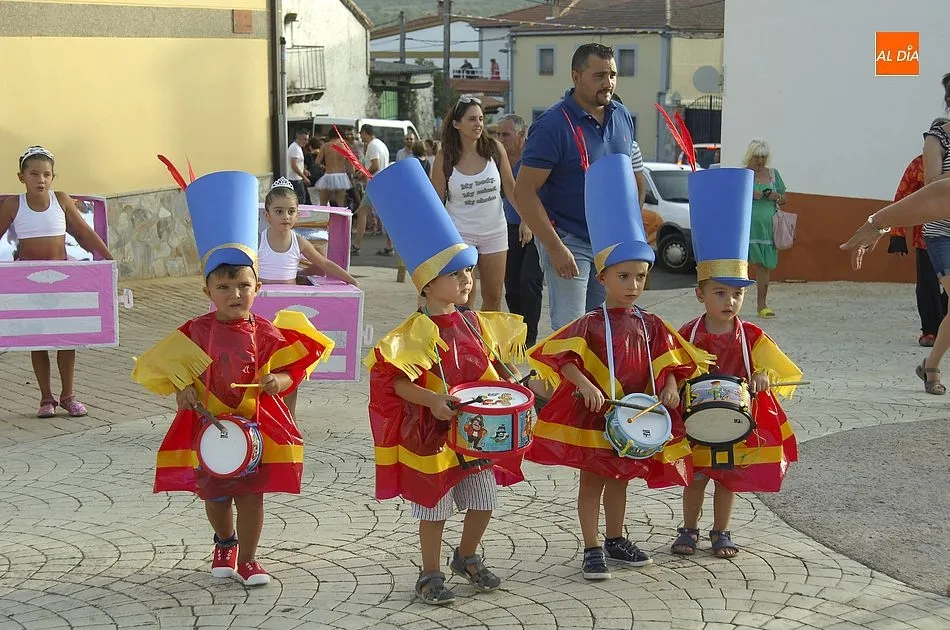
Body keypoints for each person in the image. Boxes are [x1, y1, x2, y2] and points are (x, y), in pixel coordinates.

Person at [131, 170, 334, 586]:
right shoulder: (195, 331)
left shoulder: (268, 331)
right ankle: (224, 539)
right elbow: (173, 374)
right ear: (208, 291)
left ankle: (249, 558)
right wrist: (184, 390)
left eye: (243, 285)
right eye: (223, 286)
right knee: (216, 494)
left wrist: (279, 382)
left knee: (252, 495)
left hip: (256, 428)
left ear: (257, 286)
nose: (234, 294)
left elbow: (294, 366)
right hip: (212, 427)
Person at [526, 154, 711, 580]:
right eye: (623, 277)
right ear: (603, 277)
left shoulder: (651, 323)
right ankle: (592, 546)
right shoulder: (590, 322)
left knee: (622, 477)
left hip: (635, 411)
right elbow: (559, 356)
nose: (633, 286)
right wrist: (581, 384)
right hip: (598, 413)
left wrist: (667, 384)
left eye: (640, 277)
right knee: (593, 478)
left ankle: (614, 537)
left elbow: (670, 359)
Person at [364, 158, 527, 604]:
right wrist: (431, 400)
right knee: (434, 506)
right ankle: (430, 572)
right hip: (433, 436)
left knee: (484, 500)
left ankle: (467, 555)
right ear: (426, 285)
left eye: (468, 271)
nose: (467, 280)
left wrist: (512, 384)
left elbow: (490, 368)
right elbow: (393, 384)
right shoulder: (413, 334)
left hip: (473, 433)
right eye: (455, 274)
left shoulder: (475, 324)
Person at [668, 168, 802, 559]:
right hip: (694, 418)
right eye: (720, 293)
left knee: (728, 478)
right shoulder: (687, 334)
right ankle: (688, 528)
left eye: (737, 295)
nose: (729, 302)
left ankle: (721, 531)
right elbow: (672, 366)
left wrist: (762, 376)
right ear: (700, 294)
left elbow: (772, 368)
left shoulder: (751, 336)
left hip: (732, 419)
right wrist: (672, 384)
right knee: (694, 478)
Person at [514, 43, 638, 333]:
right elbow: (524, 192)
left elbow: (626, 180)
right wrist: (555, 248)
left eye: (613, 75)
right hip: (569, 240)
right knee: (570, 329)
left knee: (604, 326)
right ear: (576, 77)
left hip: (611, 242)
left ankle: (595, 380)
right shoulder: (552, 126)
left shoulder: (621, 116)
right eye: (599, 75)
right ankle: (565, 379)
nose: (608, 83)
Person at [0, 146, 114, 418]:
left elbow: (84, 234)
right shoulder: (14, 205)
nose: (41, 180)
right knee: (37, 338)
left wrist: (109, 261)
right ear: (22, 177)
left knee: (66, 336)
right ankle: (46, 398)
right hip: (29, 281)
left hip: (64, 280)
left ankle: (68, 396)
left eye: (46, 175)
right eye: (34, 174)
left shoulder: (61, 200)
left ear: (53, 177)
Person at [258, 177, 359, 416]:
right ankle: (262, 413)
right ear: (267, 215)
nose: (285, 216)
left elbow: (323, 262)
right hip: (263, 310)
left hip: (290, 315)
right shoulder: (257, 240)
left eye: (291, 211)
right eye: (279, 211)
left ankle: (289, 417)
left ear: (297, 215)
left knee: (291, 365)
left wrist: (350, 279)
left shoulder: (298, 241)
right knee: (265, 365)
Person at [431, 95, 518, 312]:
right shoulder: (446, 156)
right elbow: (435, 202)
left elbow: (512, 189)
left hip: (495, 232)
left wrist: (527, 220)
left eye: (480, 119)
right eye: (471, 119)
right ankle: (464, 344)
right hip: (460, 235)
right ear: (457, 124)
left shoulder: (495, 150)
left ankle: (486, 344)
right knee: (463, 298)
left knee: (494, 296)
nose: (478, 124)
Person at [888, 142, 949, 348]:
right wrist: (897, 234)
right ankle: (930, 330)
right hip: (927, 237)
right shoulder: (918, 165)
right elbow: (903, 195)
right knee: (928, 285)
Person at [496, 114, 543, 347]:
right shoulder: (498, 160)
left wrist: (529, 221)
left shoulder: (532, 159)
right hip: (507, 228)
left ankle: (530, 339)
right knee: (512, 285)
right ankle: (518, 334)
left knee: (530, 281)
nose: (500, 139)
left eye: (506, 134)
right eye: (498, 134)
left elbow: (534, 193)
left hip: (536, 227)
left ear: (521, 135)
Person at [915, 82, 950, 394]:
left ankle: (931, 364)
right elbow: (932, 183)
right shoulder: (937, 139)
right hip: (943, 233)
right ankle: (933, 367)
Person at [743, 138, 788, 318]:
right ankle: (736, 304)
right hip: (746, 228)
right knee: (741, 267)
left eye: (763, 157)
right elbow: (732, 196)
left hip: (767, 229)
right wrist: (750, 193)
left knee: (764, 267)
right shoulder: (743, 175)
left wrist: (776, 195)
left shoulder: (773, 175)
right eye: (756, 157)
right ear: (750, 156)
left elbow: (785, 198)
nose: (760, 161)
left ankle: (762, 305)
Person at [353, 124, 393, 257]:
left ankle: (357, 245)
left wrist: (362, 173)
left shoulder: (372, 145)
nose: (361, 138)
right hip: (384, 183)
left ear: (365, 133)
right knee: (386, 217)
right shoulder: (381, 144)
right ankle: (389, 246)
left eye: (361, 134)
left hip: (376, 184)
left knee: (362, 212)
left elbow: (375, 165)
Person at [314, 134, 352, 208]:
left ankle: (324, 218)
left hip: (329, 174)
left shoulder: (325, 146)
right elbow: (350, 164)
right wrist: (352, 175)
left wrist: (324, 166)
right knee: (340, 203)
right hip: (342, 176)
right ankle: (341, 218)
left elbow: (317, 162)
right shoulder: (345, 146)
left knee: (323, 202)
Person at [287, 129, 311, 204]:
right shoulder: (295, 148)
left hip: (295, 178)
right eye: (305, 139)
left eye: (307, 140)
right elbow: (294, 165)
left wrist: (304, 170)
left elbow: (297, 163)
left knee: (299, 200)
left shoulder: (297, 147)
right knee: (300, 200)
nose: (306, 142)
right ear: (298, 137)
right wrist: (304, 177)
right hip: (294, 179)